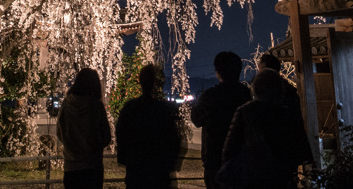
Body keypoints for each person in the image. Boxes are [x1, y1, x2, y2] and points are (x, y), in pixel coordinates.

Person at [216, 69, 312, 189]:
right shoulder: (286, 114)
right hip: (280, 178)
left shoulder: (245, 112)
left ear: (256, 89)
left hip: (252, 177)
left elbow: (230, 149)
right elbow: (297, 150)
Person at [189, 51, 252, 189]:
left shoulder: (210, 96)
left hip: (214, 161)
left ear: (218, 72)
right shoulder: (246, 94)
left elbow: (196, 120)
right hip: (242, 161)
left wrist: (194, 106)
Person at [115, 63, 182, 189]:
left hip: (136, 170)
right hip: (159, 171)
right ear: (155, 83)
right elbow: (173, 139)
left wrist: (125, 158)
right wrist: (169, 164)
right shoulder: (162, 109)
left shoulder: (130, 108)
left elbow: (121, 134)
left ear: (140, 82)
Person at [56, 67, 111, 189]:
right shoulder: (96, 106)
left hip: (71, 167)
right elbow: (106, 136)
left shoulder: (67, 104)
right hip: (92, 167)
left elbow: (59, 133)